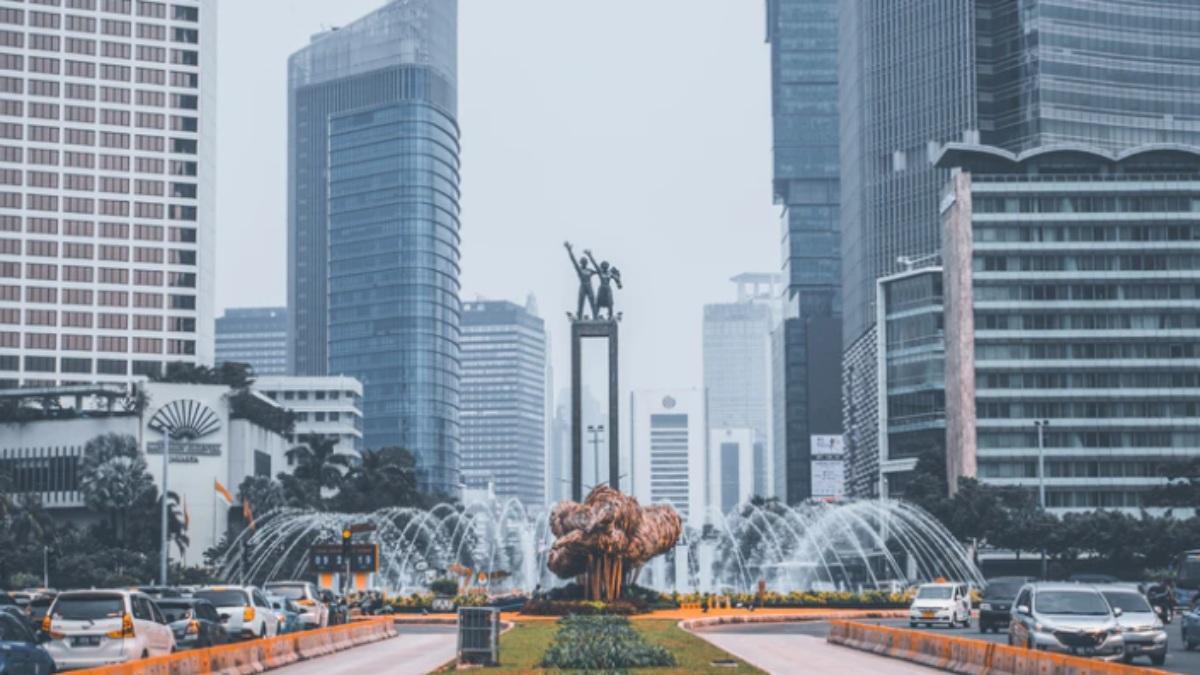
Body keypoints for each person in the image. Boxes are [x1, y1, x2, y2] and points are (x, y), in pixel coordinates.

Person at [564, 242, 597, 320]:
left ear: (587, 263)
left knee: (593, 302)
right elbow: (573, 261)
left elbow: (598, 270)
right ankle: (579, 317)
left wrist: (590, 256)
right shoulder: (580, 270)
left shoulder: (590, 270)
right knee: (580, 303)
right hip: (583, 286)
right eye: (582, 262)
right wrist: (569, 250)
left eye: (585, 262)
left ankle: (595, 317)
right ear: (581, 263)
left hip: (589, 286)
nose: (584, 263)